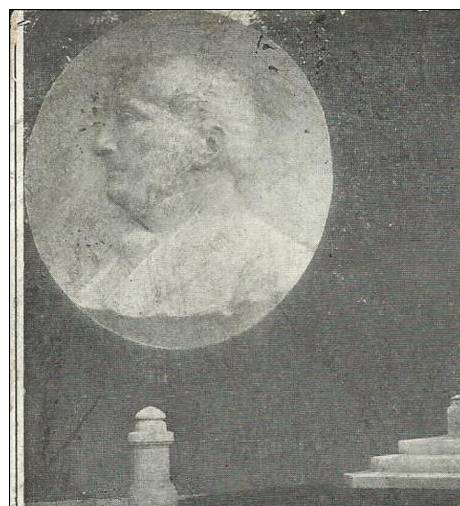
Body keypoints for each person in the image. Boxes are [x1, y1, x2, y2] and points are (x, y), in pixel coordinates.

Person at [83, 55, 311, 320]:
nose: (101, 143)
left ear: (207, 146)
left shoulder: (275, 268)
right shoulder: (122, 263)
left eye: (129, 118)